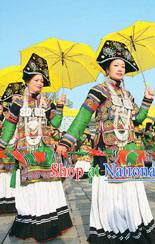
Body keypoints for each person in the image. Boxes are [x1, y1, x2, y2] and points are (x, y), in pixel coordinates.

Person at [57, 40, 155, 243]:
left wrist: (147, 100)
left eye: (123, 66)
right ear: (107, 68)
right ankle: (112, 231)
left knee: (131, 191)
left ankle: (134, 228)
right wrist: (67, 141)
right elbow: (83, 117)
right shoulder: (98, 90)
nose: (120, 69)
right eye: (116, 65)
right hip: (107, 151)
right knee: (111, 193)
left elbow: (138, 120)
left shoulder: (128, 94)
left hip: (129, 151)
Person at [0, 53, 72, 241]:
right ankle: (31, 222)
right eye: (37, 80)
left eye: (42, 80)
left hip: (45, 151)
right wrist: (1, 145)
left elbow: (54, 123)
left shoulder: (46, 101)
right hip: (26, 153)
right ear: (28, 81)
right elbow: (9, 125)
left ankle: (50, 222)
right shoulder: (16, 101)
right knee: (30, 188)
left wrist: (61, 107)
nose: (40, 83)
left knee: (47, 186)